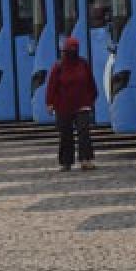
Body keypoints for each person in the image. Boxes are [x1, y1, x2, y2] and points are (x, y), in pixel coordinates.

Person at [45, 36, 98, 172]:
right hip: (63, 106)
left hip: (83, 105)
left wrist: (91, 99)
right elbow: (52, 86)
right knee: (65, 134)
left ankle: (86, 160)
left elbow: (91, 83)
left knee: (84, 133)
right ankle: (66, 162)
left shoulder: (83, 64)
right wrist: (50, 103)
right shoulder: (58, 67)